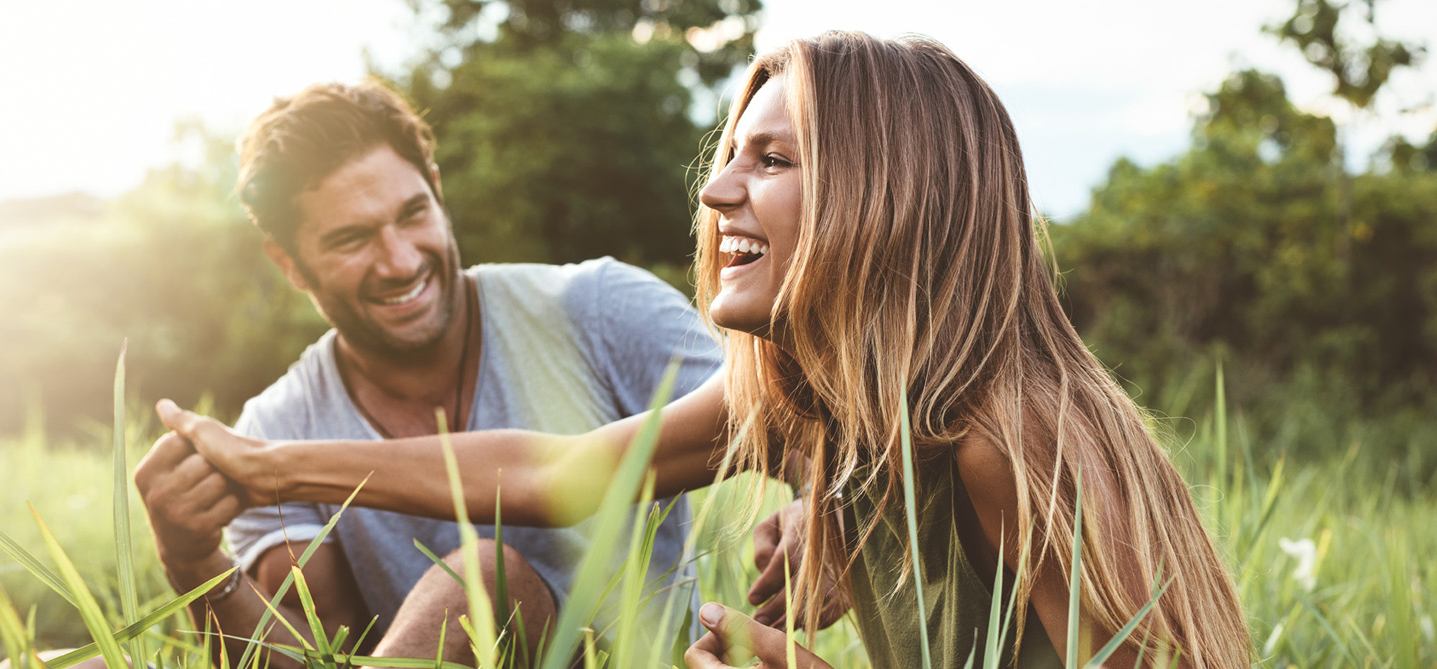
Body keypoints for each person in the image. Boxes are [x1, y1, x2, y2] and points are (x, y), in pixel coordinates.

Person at [153, 33, 1254, 668]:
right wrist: (269, 469)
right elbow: (560, 474)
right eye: (731, 154)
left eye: (769, 158)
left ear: (891, 194)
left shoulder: (1012, 434)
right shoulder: (810, 405)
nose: (717, 187)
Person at [128, 80, 721, 668]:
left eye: (412, 214)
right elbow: (310, 656)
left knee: (481, 582)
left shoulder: (598, 309)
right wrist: (192, 561)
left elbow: (786, 410)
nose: (400, 261)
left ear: (437, 190)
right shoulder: (278, 422)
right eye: (351, 239)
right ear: (290, 263)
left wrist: (810, 504)